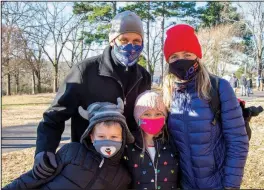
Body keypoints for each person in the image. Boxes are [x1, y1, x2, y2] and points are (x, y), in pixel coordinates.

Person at [32, 11, 151, 179]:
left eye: (136, 41)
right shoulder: (85, 71)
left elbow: (142, 120)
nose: (130, 46)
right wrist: (44, 150)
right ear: (112, 40)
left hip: (127, 166)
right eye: (124, 40)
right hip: (87, 164)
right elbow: (54, 116)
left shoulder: (144, 76)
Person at [162, 24, 249, 189]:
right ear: (168, 62)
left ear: (197, 56)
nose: (181, 61)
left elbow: (238, 141)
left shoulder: (219, 87)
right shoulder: (168, 94)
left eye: (187, 54)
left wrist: (230, 185)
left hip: (217, 184)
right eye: (174, 57)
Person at [4, 98, 134, 189]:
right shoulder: (72, 152)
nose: (107, 140)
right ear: (92, 137)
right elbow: (33, 178)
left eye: (114, 136)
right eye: (101, 136)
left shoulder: (122, 177)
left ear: (122, 138)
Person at [124, 90, 179, 189]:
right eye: (147, 114)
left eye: (158, 114)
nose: (153, 118)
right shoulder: (129, 145)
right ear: (138, 118)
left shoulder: (172, 143)